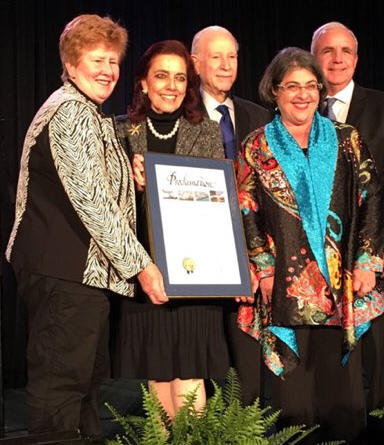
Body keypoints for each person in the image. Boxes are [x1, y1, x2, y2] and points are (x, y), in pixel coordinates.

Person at [5, 14, 167, 437]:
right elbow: (92, 203)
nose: (108, 71)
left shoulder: (89, 113)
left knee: (82, 389)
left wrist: (128, 176)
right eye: (98, 59)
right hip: (64, 273)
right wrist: (143, 266)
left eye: (113, 62)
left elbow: (95, 186)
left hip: (79, 277)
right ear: (72, 62)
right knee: (61, 389)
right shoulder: (71, 112)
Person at [237, 47, 384, 444]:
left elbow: (370, 198)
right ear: (274, 90)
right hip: (285, 284)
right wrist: (263, 266)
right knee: (293, 389)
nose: (302, 94)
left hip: (342, 283)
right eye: (292, 86)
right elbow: (246, 209)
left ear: (320, 90)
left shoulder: (347, 139)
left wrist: (367, 260)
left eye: (310, 85)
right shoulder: (257, 146)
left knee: (342, 387)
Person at [113, 40, 233, 419]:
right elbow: (104, 210)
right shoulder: (117, 132)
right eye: (161, 76)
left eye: (180, 77)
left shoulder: (207, 132)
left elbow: (214, 205)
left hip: (195, 277)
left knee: (190, 377)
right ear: (143, 83)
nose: (171, 85)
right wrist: (131, 184)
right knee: (157, 373)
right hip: (143, 274)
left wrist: (163, 185)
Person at [311, 22, 384, 445]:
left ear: (356, 59)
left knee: (381, 352)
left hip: (377, 253)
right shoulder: (298, 106)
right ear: (313, 56)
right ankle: (335, 427)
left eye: (346, 51)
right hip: (318, 256)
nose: (337, 59)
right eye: (327, 51)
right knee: (330, 347)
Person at [191, 25, 271, 405]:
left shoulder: (260, 116)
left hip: (253, 258)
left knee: (247, 368)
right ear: (195, 63)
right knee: (205, 365)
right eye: (216, 56)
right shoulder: (181, 114)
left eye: (232, 56)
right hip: (199, 259)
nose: (225, 65)